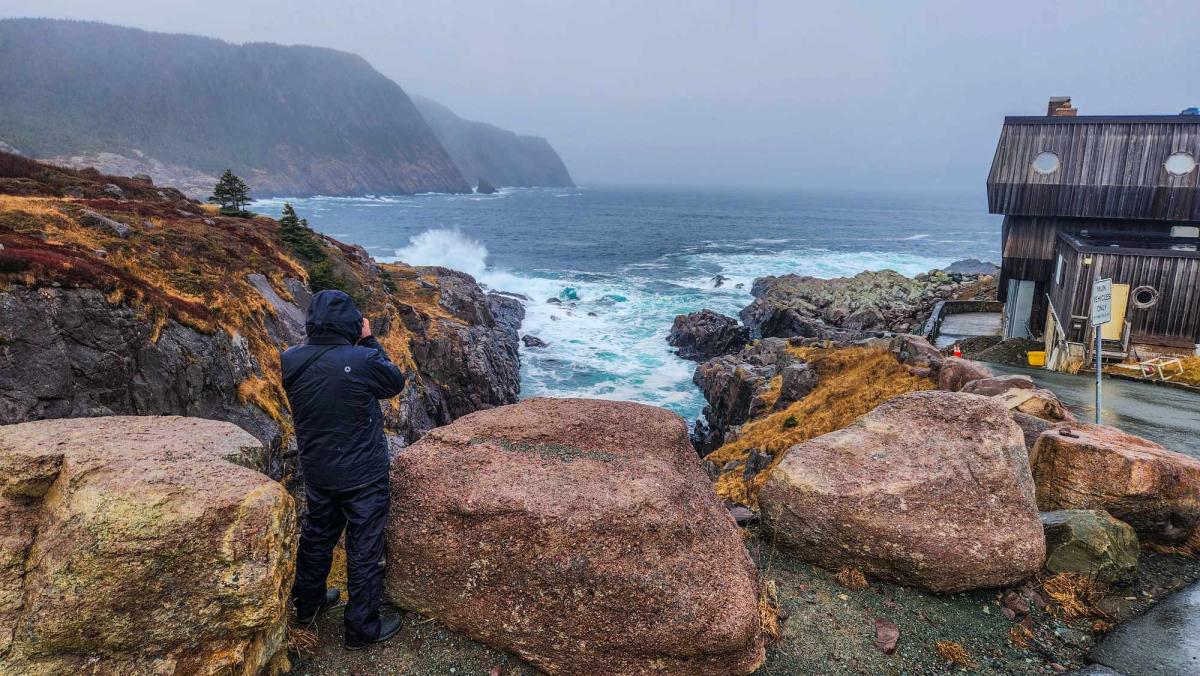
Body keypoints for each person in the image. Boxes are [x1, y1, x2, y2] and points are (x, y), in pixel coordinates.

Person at [282, 289, 407, 649]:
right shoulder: (361, 357)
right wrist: (369, 340)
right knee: (364, 547)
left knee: (317, 537)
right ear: (351, 322)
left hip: (319, 471)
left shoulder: (291, 360)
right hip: (364, 475)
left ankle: (307, 606)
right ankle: (361, 629)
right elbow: (393, 382)